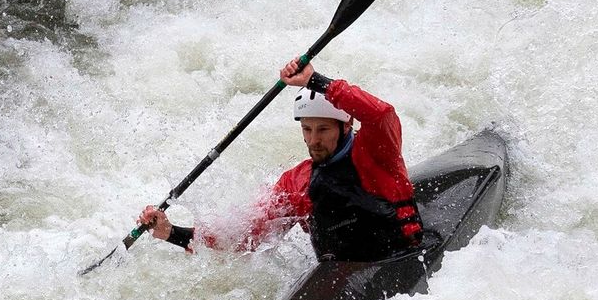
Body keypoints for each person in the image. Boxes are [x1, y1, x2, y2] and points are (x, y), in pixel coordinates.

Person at [138, 58, 423, 262]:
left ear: (345, 126)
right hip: (342, 271)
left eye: (323, 129)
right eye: (307, 129)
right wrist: (171, 232)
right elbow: (248, 236)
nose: (313, 140)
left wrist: (316, 81)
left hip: (402, 253)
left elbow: (381, 114)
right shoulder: (297, 182)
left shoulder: (376, 151)